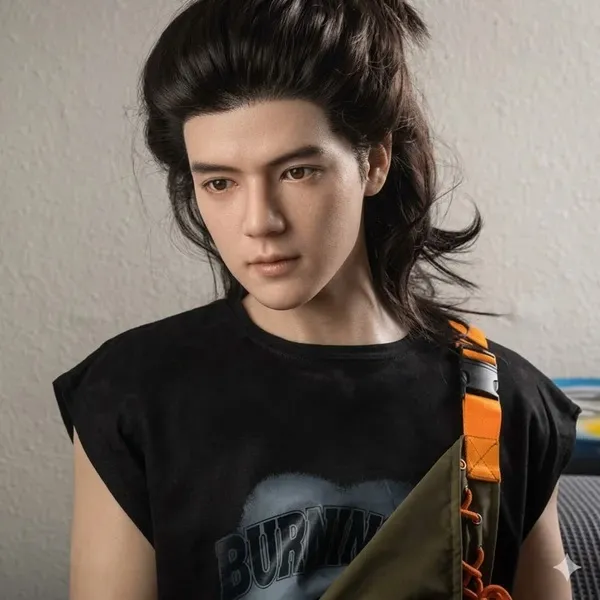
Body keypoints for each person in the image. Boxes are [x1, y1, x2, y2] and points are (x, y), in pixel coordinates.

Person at [52, 1, 581, 599]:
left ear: (374, 162)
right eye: (219, 182)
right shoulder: (133, 393)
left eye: (297, 171)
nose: (260, 221)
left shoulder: (513, 403)